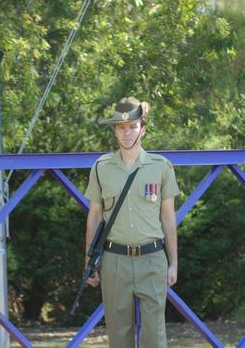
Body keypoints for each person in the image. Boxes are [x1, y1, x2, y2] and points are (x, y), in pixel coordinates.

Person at [84, 97, 180, 348]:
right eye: (121, 127)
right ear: (115, 131)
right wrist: (90, 261)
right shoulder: (100, 167)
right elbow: (94, 215)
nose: (127, 132)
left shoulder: (161, 167)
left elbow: (168, 217)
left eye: (132, 126)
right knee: (119, 335)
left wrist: (174, 262)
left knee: (155, 336)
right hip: (114, 261)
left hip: (152, 259)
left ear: (143, 129)